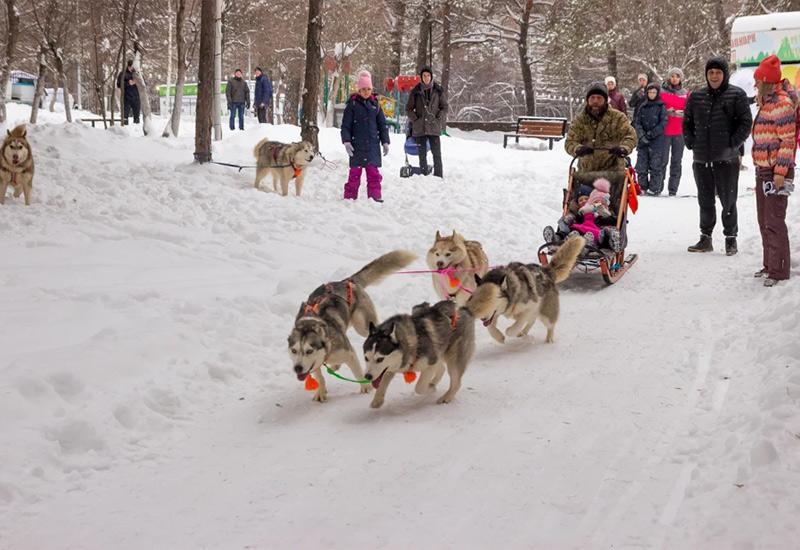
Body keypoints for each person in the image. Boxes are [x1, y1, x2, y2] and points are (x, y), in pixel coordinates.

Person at [683, 57, 752, 255]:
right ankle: (706, 238)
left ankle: (731, 238)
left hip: (726, 159)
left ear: (725, 74)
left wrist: (733, 143)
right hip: (701, 158)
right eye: (711, 72)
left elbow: (746, 123)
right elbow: (686, 122)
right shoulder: (696, 96)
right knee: (705, 200)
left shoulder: (736, 95)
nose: (714, 76)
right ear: (706, 75)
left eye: (718, 72)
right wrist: (690, 142)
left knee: (728, 200)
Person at [751, 54, 797, 286]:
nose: (755, 83)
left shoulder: (781, 104)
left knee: (774, 220)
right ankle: (769, 263)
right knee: (763, 220)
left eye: (758, 80)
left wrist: (780, 172)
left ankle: (779, 270)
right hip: (764, 171)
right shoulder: (768, 101)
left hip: (777, 173)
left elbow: (788, 141)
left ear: (767, 81)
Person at [565, 81, 638, 172]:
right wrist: (577, 148)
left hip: (614, 171)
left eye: (599, 98)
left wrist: (624, 148)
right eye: (592, 98)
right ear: (587, 100)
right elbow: (570, 141)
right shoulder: (580, 120)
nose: (595, 101)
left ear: (605, 100)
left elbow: (630, 136)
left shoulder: (618, 118)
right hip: (586, 172)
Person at [341, 70, 390, 202]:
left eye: (368, 89)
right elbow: (346, 126)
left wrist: (385, 141)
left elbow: (382, 125)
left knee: (374, 174)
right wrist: (346, 141)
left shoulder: (376, 105)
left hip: (372, 147)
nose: (366, 92)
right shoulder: (352, 105)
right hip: (356, 146)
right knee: (354, 175)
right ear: (359, 89)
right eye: (363, 89)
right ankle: (350, 197)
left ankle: (375, 197)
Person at [406, 66, 448, 178]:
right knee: (422, 154)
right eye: (424, 75)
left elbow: (444, 107)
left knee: (437, 154)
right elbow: (408, 109)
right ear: (421, 77)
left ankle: (438, 176)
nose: (426, 78)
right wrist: (415, 119)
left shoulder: (438, 90)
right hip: (420, 128)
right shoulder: (415, 91)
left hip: (434, 127)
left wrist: (439, 116)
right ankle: (423, 176)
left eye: (428, 75)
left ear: (431, 76)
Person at [660, 67, 690, 196]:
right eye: (672, 76)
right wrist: (668, 112)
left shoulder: (686, 93)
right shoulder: (661, 91)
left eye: (677, 76)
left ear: (680, 78)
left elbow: (690, 110)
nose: (674, 78)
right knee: (663, 161)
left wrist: (684, 114)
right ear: (668, 77)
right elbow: (657, 109)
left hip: (679, 131)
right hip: (665, 131)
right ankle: (658, 186)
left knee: (676, 161)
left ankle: (673, 189)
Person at [633, 83, 667, 195]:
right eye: (650, 92)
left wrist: (651, 134)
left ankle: (654, 188)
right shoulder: (643, 106)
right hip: (643, 141)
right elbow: (637, 123)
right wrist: (641, 135)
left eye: (654, 92)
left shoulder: (661, 106)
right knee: (641, 166)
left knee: (655, 166)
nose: (652, 94)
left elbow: (663, 123)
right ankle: (642, 187)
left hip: (657, 141)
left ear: (657, 93)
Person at [116, 60, 141, 125]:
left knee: (137, 116)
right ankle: (125, 129)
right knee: (125, 115)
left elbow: (144, 84)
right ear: (128, 66)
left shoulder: (138, 74)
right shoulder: (123, 74)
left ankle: (136, 129)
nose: (132, 69)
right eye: (131, 67)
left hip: (136, 97)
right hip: (126, 97)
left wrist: (137, 82)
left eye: (133, 67)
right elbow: (118, 84)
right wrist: (128, 83)